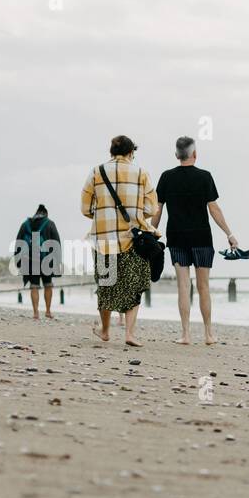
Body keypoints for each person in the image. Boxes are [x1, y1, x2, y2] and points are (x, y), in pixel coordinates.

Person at [152, 136, 238, 345]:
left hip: (177, 237)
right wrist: (229, 233)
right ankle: (208, 334)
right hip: (201, 238)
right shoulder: (205, 177)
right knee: (204, 287)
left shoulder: (166, 177)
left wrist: (151, 232)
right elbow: (214, 208)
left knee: (183, 286)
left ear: (176, 155)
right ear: (195, 154)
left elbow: (158, 209)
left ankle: (186, 334)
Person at [81, 135, 160, 347]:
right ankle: (130, 334)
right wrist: (136, 213)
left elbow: (85, 208)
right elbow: (153, 208)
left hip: (103, 239)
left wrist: (102, 215)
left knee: (106, 284)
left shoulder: (96, 172)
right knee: (135, 285)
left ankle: (105, 331)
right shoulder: (142, 173)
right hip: (133, 239)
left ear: (111, 152)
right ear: (131, 152)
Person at [13, 204, 62, 319]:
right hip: (46, 259)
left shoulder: (25, 225)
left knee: (34, 286)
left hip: (30, 260)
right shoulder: (50, 223)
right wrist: (57, 262)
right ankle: (48, 311)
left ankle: (36, 313)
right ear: (46, 214)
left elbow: (18, 242)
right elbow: (57, 243)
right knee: (48, 285)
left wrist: (18, 260)